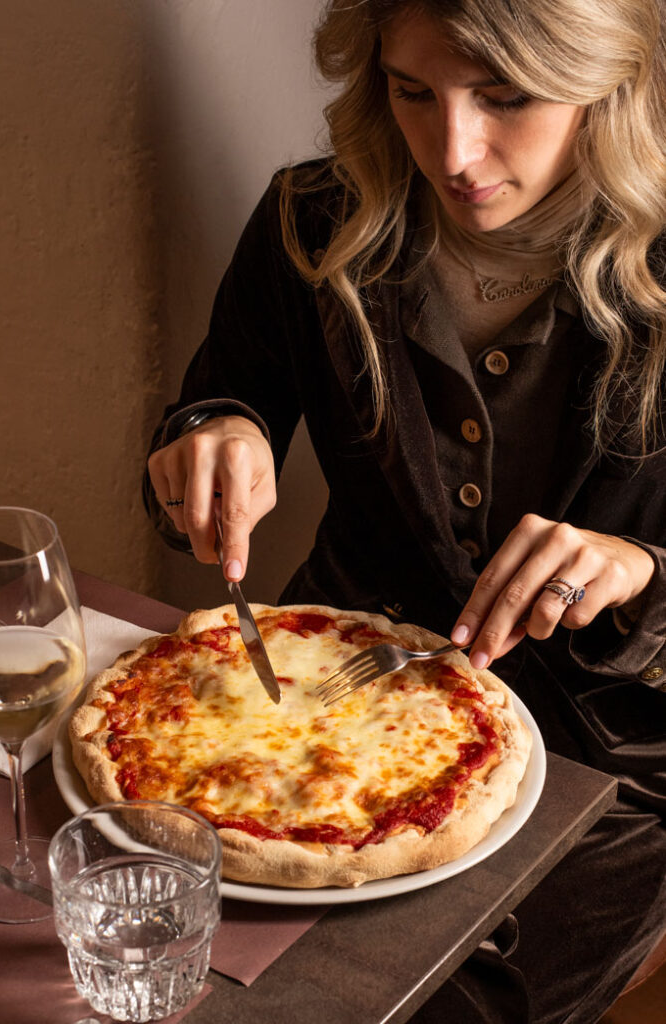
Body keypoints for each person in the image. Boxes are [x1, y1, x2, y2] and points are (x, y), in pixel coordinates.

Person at [144, 1, 666, 1021]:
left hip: (606, 768)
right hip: (308, 705)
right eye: (412, 91)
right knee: (131, 943)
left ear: (605, 76)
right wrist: (217, 436)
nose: (455, 149)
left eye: (504, 96)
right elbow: (213, 405)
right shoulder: (314, 216)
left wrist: (640, 570)